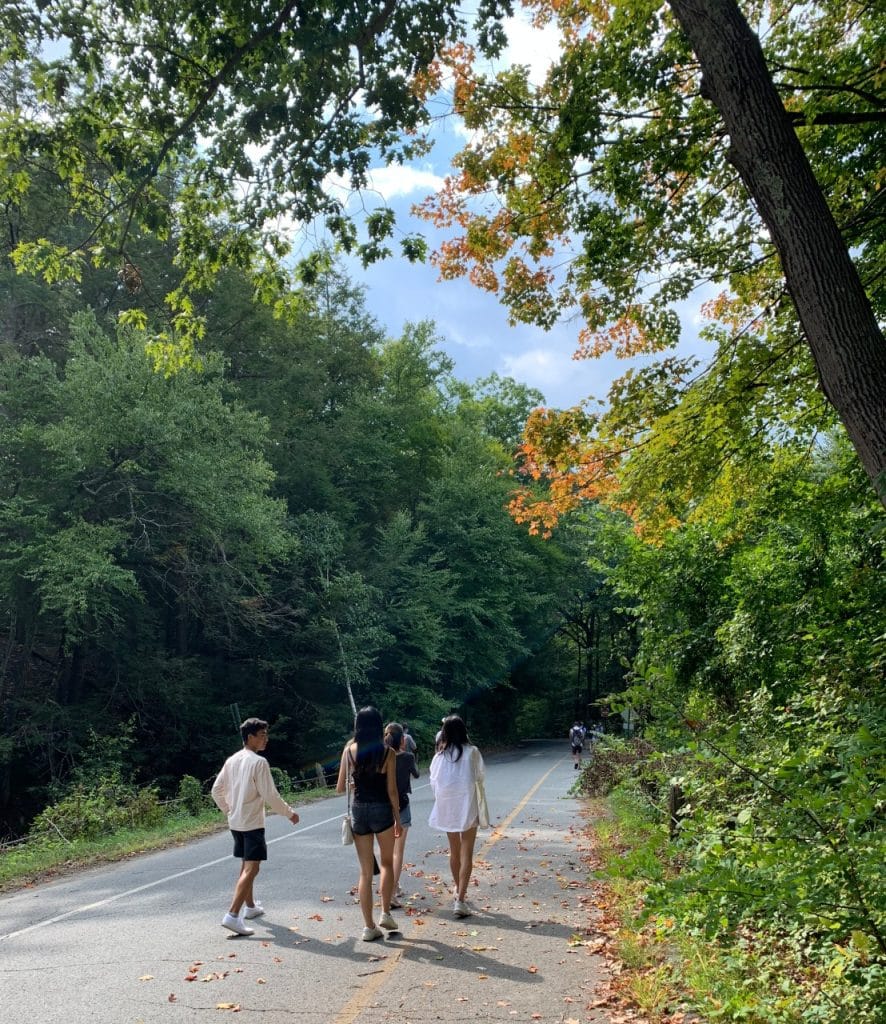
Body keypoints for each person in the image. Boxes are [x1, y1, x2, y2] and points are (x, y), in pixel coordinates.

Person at [211, 717, 300, 935]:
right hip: (252, 822)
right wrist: (289, 813)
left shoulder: (232, 760)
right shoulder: (259, 762)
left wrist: (229, 809)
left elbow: (216, 790)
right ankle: (232, 915)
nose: (266, 739)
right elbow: (270, 794)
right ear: (250, 737)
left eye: (266, 735)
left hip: (236, 822)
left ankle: (250, 907)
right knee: (253, 868)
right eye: (262, 735)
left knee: (246, 865)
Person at [336, 706, 402, 941]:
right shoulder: (388, 753)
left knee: (365, 871)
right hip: (381, 809)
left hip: (358, 811)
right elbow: (392, 790)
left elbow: (340, 787)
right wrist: (398, 818)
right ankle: (385, 912)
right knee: (386, 863)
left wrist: (354, 783)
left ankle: (368, 927)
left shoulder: (349, 751)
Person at [428, 714, 485, 918]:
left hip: (447, 806)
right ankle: (461, 898)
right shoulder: (473, 752)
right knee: (466, 852)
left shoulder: (439, 756)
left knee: (454, 851)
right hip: (467, 804)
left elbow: (433, 782)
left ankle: (457, 889)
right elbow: (480, 776)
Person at [384, 722, 420, 905]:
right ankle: (392, 891)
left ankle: (390, 888)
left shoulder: (380, 756)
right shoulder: (407, 757)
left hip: (382, 808)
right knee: (398, 852)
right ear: (402, 739)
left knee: (385, 853)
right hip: (402, 807)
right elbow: (417, 774)